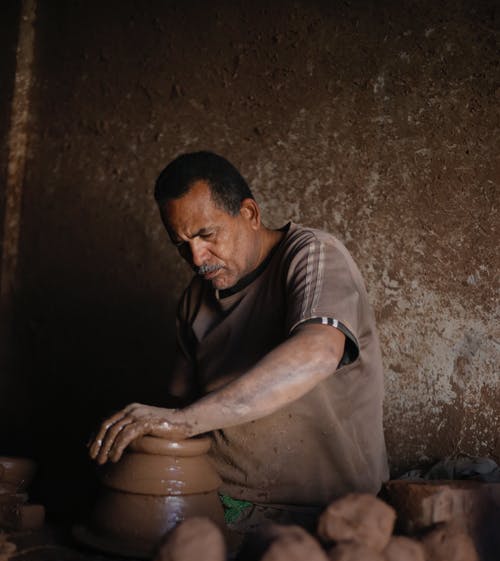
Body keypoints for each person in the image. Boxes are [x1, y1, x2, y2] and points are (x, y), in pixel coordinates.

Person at [89, 151, 389, 529]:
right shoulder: (195, 298)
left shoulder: (312, 255)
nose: (197, 258)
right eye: (181, 244)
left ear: (249, 214)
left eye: (206, 235)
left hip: (325, 511)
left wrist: (183, 422)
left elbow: (319, 351)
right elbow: (177, 401)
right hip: (226, 506)